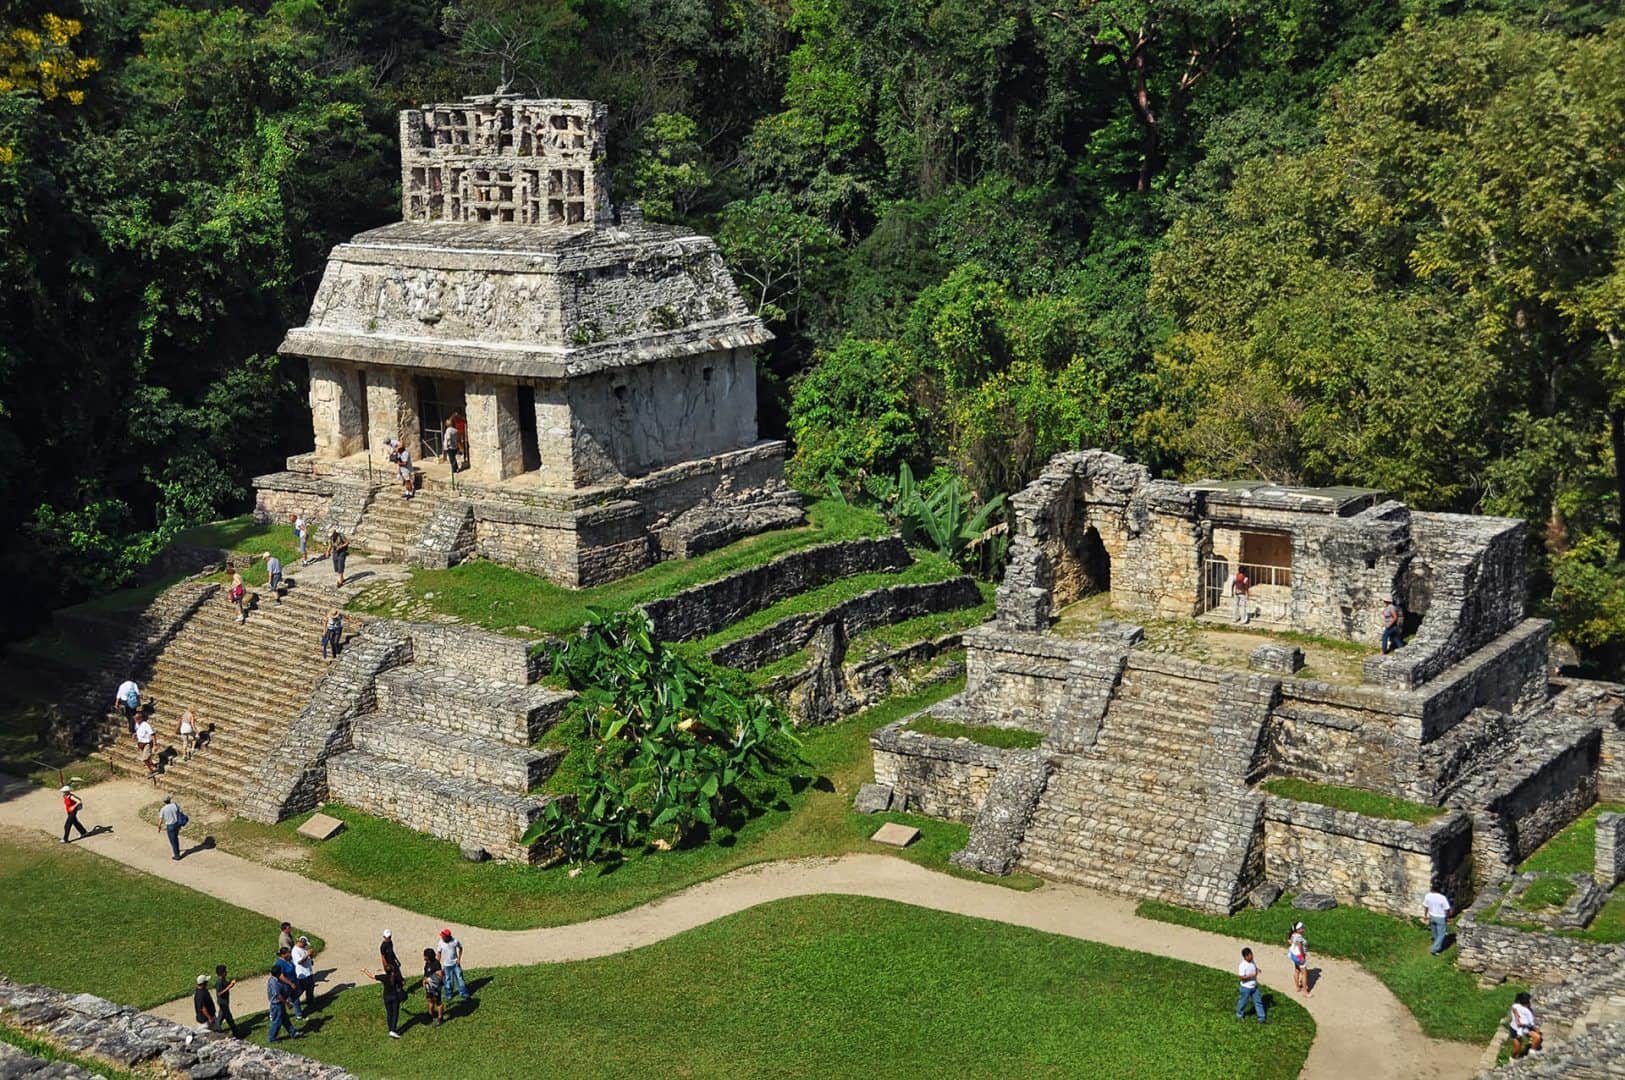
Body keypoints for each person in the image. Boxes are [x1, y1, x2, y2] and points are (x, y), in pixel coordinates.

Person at [360, 965, 407, 1038]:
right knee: (395, 1014)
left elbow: (372, 976)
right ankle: (393, 1030)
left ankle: (390, 1029)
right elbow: (403, 983)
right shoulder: (396, 977)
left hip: (386, 997)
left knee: (389, 1013)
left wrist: (365, 971)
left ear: (386, 971)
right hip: (394, 997)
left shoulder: (384, 977)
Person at [265, 970, 302, 1043]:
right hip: (277, 1005)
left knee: (285, 1019)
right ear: (278, 973)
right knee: (277, 1022)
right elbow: (278, 996)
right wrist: (287, 1004)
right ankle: (272, 1038)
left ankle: (293, 1033)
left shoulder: (274, 979)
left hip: (279, 1004)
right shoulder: (274, 982)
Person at [272, 946, 304, 1020]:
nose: (290, 954)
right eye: (288, 953)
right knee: (281, 1001)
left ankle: (298, 1014)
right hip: (286, 985)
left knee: (296, 998)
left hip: (293, 982)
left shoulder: (289, 960)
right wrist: (290, 983)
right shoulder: (279, 963)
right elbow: (281, 976)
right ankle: (274, 1014)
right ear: (283, 955)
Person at [436, 928, 466, 1004]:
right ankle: (449, 994)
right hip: (446, 965)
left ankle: (463, 993)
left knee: (460, 978)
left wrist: (459, 959)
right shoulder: (441, 943)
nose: (442, 937)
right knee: (448, 980)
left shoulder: (455, 941)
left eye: (443, 936)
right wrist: (437, 964)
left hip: (455, 964)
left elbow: (460, 948)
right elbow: (439, 953)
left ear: (447, 936)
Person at [1508, 991, 1542, 1057]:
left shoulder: (1515, 1006)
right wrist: (1537, 1030)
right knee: (1518, 1047)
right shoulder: (1528, 1012)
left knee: (1536, 1038)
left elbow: (1515, 1011)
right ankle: (1515, 1056)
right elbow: (1531, 1024)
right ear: (1527, 1003)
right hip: (1519, 1029)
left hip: (1519, 1029)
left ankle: (1529, 1051)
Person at [1236, 947, 1265, 1023]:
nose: (1252, 956)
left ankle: (1261, 1018)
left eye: (1251, 954)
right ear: (1245, 957)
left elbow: (1254, 967)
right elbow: (1242, 977)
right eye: (1250, 955)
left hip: (1254, 987)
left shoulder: (1252, 961)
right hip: (1246, 988)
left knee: (1258, 1002)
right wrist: (1252, 975)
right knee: (1243, 1002)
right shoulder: (1242, 965)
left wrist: (1257, 969)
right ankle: (1239, 1015)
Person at [1423, 886, 1453, 955]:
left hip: (1432, 915)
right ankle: (1434, 949)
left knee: (1434, 931)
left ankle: (1436, 944)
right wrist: (1447, 917)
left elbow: (1426, 906)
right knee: (1441, 934)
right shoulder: (1442, 898)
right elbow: (1446, 909)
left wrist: (1425, 915)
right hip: (1440, 917)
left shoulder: (1428, 896)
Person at [292, 935, 317, 1012]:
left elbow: (308, 958)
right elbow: (299, 962)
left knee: (310, 988)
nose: (306, 945)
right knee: (301, 990)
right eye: (305, 944)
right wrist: (307, 954)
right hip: (302, 974)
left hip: (309, 972)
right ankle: (292, 1001)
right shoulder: (295, 950)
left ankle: (310, 1002)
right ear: (301, 942)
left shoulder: (303, 948)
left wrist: (310, 956)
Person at [421, 948, 445, 1026]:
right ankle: (430, 1014)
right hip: (429, 987)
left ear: (428, 956)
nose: (423, 956)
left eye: (425, 955)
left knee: (438, 1002)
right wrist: (424, 979)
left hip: (436, 987)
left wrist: (430, 980)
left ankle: (440, 1018)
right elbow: (426, 973)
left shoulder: (436, 964)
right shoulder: (427, 963)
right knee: (430, 1000)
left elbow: (440, 975)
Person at [214, 964, 239, 1036]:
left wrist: (230, 983)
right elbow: (219, 993)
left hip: (224, 1002)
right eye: (225, 971)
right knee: (228, 1017)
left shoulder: (223, 980)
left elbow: (226, 984)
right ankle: (235, 1031)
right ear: (222, 973)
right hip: (222, 1002)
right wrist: (229, 987)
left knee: (221, 1017)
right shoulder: (219, 982)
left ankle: (217, 1028)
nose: (226, 972)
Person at [158, 795, 186, 860]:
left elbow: (161, 820)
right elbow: (181, 812)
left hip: (170, 826)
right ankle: (177, 851)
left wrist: (159, 827)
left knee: (173, 841)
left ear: (164, 802)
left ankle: (177, 855)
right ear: (170, 800)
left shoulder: (163, 809)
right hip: (177, 824)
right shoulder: (175, 805)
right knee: (176, 838)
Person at [1287, 921, 1308, 994]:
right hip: (1299, 955)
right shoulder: (1299, 937)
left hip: (1293, 954)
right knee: (1304, 974)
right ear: (1298, 930)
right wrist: (1302, 957)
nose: (1303, 929)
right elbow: (1300, 948)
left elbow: (1290, 941)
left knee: (1297, 970)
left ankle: (1297, 987)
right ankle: (1305, 992)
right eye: (1302, 928)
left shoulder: (1293, 935)